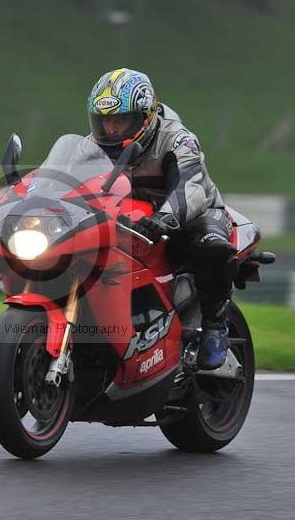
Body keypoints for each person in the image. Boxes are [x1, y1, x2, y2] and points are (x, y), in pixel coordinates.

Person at [88, 68, 236, 370]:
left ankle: (214, 324)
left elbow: (189, 188)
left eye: (121, 120)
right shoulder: (91, 145)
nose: (111, 129)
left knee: (211, 247)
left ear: (145, 116)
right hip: (131, 221)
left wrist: (163, 219)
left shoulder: (177, 139)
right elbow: (67, 181)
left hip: (194, 215)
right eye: (105, 120)